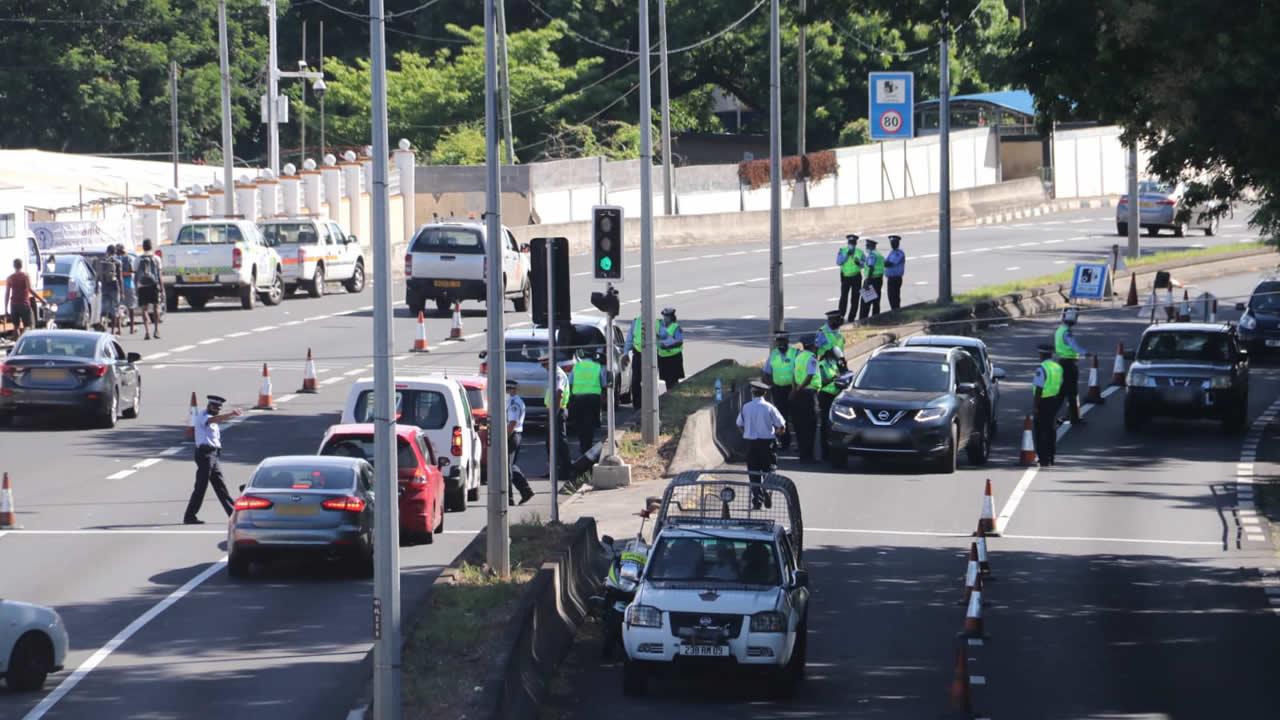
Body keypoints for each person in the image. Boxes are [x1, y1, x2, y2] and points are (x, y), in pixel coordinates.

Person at [184, 394, 243, 524]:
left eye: (218, 408)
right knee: (201, 486)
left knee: (221, 486)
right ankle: (189, 516)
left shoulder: (213, 418)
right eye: (214, 407)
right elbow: (214, 420)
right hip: (205, 455)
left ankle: (234, 515)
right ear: (209, 405)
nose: (216, 409)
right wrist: (231, 413)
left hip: (213, 455)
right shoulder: (203, 416)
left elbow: (216, 421)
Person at [737, 379, 786, 509]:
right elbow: (781, 426)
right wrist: (777, 434)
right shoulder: (770, 408)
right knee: (769, 469)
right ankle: (768, 490)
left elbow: (739, 424)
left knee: (753, 473)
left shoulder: (746, 407)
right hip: (767, 443)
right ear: (764, 393)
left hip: (750, 444)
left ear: (753, 393)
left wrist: (746, 433)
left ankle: (757, 501)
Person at [1054, 307, 1091, 426]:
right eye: (1076, 317)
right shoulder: (1067, 332)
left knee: (1064, 392)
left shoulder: (1060, 330)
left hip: (1063, 363)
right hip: (1069, 364)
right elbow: (1074, 345)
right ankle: (1074, 419)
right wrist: (1085, 353)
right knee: (1071, 392)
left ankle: (1060, 416)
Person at [568, 349, 608, 457]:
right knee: (590, 423)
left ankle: (582, 445)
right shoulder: (597, 367)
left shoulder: (576, 366)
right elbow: (604, 383)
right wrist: (604, 397)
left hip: (578, 398)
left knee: (580, 423)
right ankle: (588, 446)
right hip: (593, 398)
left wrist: (571, 396)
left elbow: (570, 382)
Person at [541, 351, 573, 480]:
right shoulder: (554, 375)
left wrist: (553, 414)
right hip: (554, 411)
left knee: (559, 442)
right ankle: (554, 470)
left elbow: (559, 394)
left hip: (557, 412)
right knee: (551, 442)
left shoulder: (558, 375)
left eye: (545, 364)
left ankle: (565, 471)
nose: (544, 367)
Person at [763, 333, 797, 450]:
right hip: (778, 390)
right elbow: (766, 372)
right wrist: (772, 386)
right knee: (781, 417)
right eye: (778, 341)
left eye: (782, 341)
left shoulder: (795, 353)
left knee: (796, 415)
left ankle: (798, 443)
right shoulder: (773, 354)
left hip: (793, 389)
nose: (780, 344)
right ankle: (785, 442)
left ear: (787, 341)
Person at [1031, 345, 1064, 467]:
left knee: (1040, 431)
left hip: (1043, 402)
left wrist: (1035, 406)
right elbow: (1061, 384)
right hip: (1054, 401)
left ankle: (1043, 458)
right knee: (1051, 430)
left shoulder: (1042, 368)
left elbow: (1039, 388)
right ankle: (1051, 456)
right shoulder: (1057, 367)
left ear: (1042, 355)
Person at [505, 378, 535, 506]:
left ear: (511, 390)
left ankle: (508, 498)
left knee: (505, 469)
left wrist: (504, 438)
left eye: (507, 389)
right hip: (513, 435)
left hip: (511, 436)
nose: (505, 391)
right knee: (510, 466)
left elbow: (512, 422)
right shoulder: (511, 401)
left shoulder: (514, 403)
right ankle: (526, 491)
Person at [789, 339, 821, 462]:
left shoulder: (799, 356)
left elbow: (794, 375)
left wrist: (794, 389)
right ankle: (809, 456)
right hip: (808, 394)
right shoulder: (812, 358)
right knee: (810, 426)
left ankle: (803, 455)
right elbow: (810, 376)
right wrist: (799, 388)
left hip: (798, 394)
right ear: (811, 345)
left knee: (799, 426)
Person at [5, 259, 47, 339]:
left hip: (14, 305)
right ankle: (24, 342)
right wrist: (42, 300)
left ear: (14, 266)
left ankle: (16, 343)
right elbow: (30, 290)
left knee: (16, 326)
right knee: (28, 326)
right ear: (22, 265)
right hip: (24, 304)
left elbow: (7, 294)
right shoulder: (25, 276)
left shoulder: (10, 278)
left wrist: (6, 308)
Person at [816, 345, 843, 462]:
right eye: (833, 357)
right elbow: (822, 382)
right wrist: (834, 378)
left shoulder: (833, 364)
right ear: (829, 355)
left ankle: (833, 449)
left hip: (835, 396)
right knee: (825, 424)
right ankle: (824, 452)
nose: (834, 360)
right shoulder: (821, 366)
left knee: (834, 424)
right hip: (825, 396)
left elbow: (837, 375)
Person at [135, 239, 163, 340]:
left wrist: (136, 288)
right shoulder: (156, 258)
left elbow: (136, 275)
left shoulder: (138, 259)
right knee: (156, 308)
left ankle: (147, 332)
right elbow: (159, 276)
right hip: (153, 285)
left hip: (142, 286)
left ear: (143, 247)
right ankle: (156, 330)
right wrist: (162, 289)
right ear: (151, 247)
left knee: (144, 309)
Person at [836, 234, 865, 323]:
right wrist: (846, 256)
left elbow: (865, 264)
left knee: (855, 298)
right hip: (845, 277)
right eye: (850, 243)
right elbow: (838, 262)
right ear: (848, 243)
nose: (851, 245)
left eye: (853, 243)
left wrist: (859, 262)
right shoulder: (843, 251)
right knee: (844, 297)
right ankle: (841, 315)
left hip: (856, 276)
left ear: (855, 244)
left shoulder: (860, 252)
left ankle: (851, 317)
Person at [93, 246, 122, 335]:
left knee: (104, 309)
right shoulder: (117, 262)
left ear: (107, 251)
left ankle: (102, 324)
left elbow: (98, 275)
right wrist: (122, 291)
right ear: (115, 252)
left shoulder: (102, 262)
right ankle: (113, 331)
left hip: (104, 287)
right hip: (114, 287)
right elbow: (120, 278)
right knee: (114, 309)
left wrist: (97, 287)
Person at [657, 307, 685, 390]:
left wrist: (667, 346)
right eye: (664, 316)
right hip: (663, 358)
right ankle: (670, 397)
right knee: (667, 381)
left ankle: (675, 398)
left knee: (673, 382)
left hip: (674, 358)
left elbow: (680, 341)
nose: (664, 318)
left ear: (671, 317)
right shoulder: (662, 327)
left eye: (666, 316)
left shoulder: (675, 327)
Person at [859, 237, 885, 320]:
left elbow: (871, 267)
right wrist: (861, 263)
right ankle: (876, 319)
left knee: (865, 303)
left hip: (871, 280)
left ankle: (863, 320)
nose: (866, 247)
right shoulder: (879, 255)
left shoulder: (872, 255)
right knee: (876, 302)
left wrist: (867, 281)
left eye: (867, 245)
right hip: (879, 279)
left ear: (871, 246)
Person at [116, 244, 137, 335]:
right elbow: (132, 270)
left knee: (118, 307)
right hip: (129, 285)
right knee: (131, 308)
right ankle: (131, 328)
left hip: (119, 285)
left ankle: (119, 329)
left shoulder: (116, 259)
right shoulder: (129, 258)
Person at [884, 235, 905, 311]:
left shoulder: (898, 253)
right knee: (891, 297)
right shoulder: (892, 252)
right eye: (891, 243)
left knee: (894, 297)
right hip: (891, 278)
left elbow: (889, 263)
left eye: (893, 243)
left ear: (897, 243)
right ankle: (895, 311)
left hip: (895, 279)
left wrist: (881, 263)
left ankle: (896, 312)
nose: (892, 244)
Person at [629, 316, 644, 411]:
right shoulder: (636, 322)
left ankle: (650, 403)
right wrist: (626, 353)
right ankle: (637, 404)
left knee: (650, 381)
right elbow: (630, 338)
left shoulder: (656, 322)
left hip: (651, 354)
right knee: (635, 380)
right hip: (638, 355)